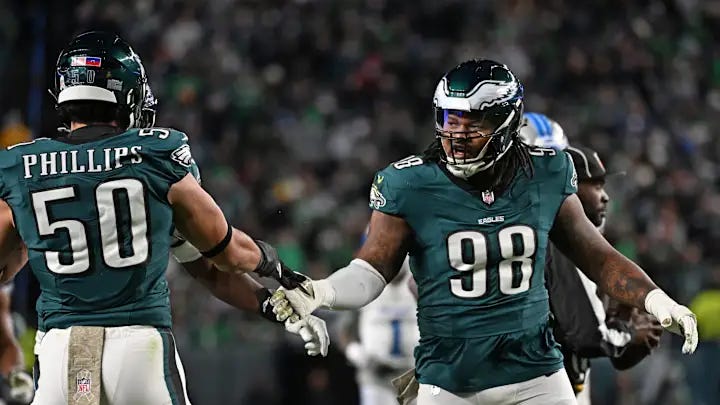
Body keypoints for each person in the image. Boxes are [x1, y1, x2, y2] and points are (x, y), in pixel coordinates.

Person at [272, 59, 698, 405]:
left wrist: (656, 299)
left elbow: (598, 257)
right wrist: (321, 291)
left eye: (471, 123)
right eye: (449, 119)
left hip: (537, 374)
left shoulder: (546, 173)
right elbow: (371, 270)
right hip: (449, 381)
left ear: (506, 122)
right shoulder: (409, 184)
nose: (456, 135)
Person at [0, 31, 325, 405]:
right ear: (126, 94)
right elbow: (225, 257)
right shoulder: (155, 156)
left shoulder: (21, 167)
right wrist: (277, 269)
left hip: (63, 356)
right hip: (138, 351)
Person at [519, 116, 663, 404]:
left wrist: (618, 322)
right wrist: (626, 333)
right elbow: (586, 336)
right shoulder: (548, 239)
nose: (553, 174)